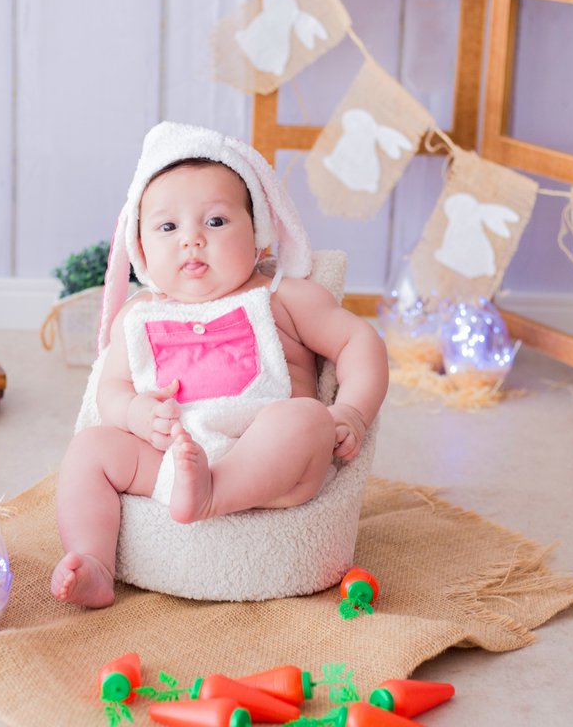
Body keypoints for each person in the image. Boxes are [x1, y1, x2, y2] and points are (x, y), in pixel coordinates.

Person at [51, 123, 388, 608]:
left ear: (259, 236)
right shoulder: (140, 316)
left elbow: (360, 340)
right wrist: (137, 414)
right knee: (90, 449)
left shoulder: (281, 297)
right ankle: (95, 561)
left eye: (215, 222)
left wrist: (352, 410)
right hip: (172, 461)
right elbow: (112, 390)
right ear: (141, 250)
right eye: (168, 227)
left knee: (305, 418)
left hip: (271, 465)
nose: (192, 240)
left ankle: (216, 491)